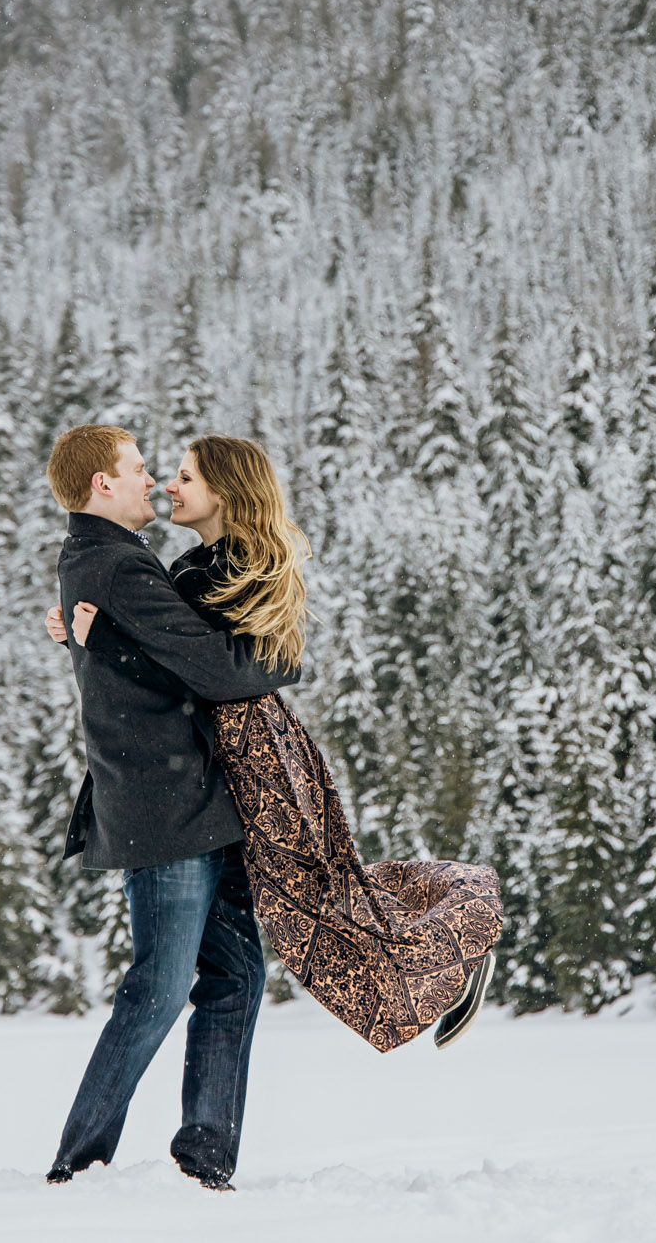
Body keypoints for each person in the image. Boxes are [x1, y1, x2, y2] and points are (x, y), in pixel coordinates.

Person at [49, 435, 501, 1056]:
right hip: (233, 756)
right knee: (308, 897)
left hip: (259, 752)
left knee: (311, 896)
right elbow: (178, 653)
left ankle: (451, 951)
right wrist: (94, 633)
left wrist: (110, 639)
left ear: (226, 494)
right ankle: (434, 966)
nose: (168, 486)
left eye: (184, 478)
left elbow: (248, 666)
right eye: (166, 475)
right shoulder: (191, 566)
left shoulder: (247, 566)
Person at [42, 424, 299, 1193]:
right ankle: (78, 1162)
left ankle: (205, 1156)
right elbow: (216, 670)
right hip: (166, 809)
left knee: (235, 975)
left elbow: (148, 662)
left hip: (191, 803)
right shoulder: (120, 564)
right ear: (100, 485)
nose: (152, 481)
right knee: (159, 983)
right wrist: (282, 660)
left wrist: (95, 645)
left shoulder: (110, 561)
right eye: (140, 469)